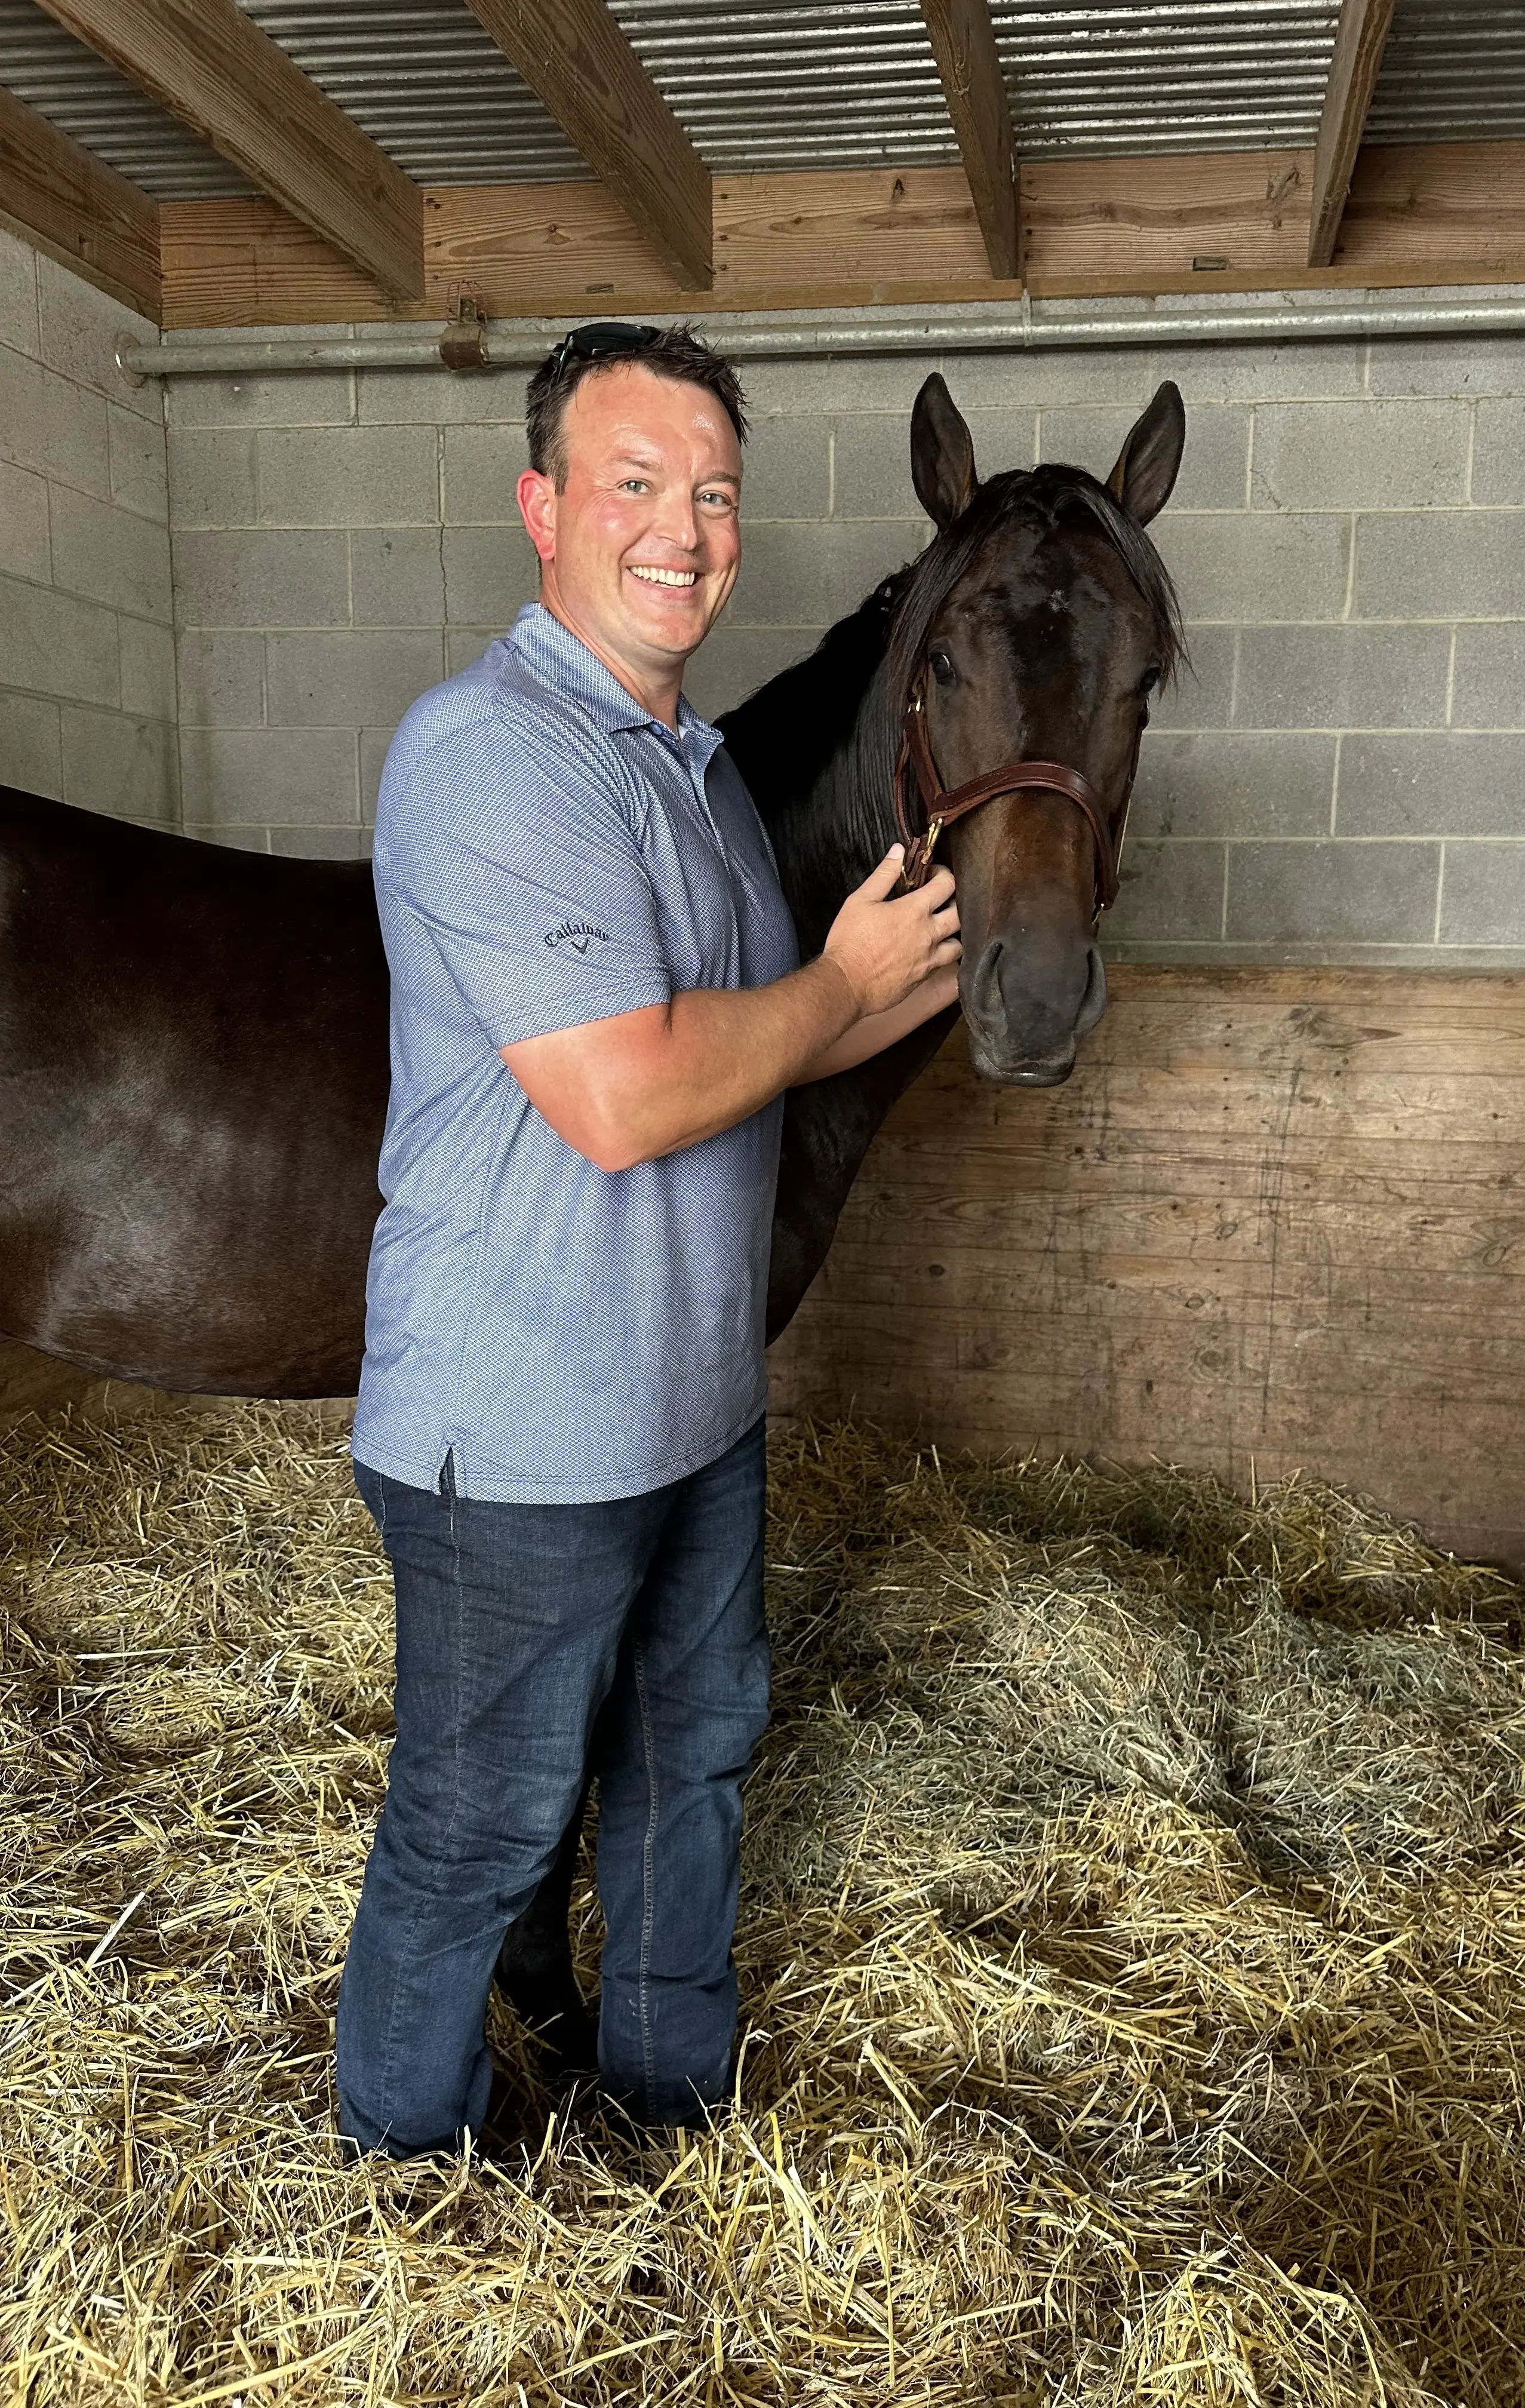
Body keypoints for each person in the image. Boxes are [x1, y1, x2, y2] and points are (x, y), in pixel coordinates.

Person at [336, 321, 960, 2157]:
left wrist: (889, 981)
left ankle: (669, 2106)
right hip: (517, 1430)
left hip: (695, 1407)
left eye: (712, 494)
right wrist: (831, 981)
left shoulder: (689, 777)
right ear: (542, 508)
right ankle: (412, 2181)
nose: (683, 530)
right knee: (480, 1825)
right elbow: (626, 1093)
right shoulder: (484, 755)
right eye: (635, 484)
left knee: (692, 1766)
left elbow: (775, 1038)